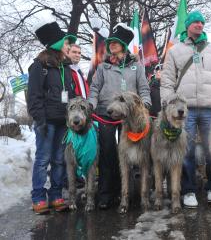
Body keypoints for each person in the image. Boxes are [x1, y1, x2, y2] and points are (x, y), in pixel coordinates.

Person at [161, 10, 211, 208]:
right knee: (186, 151)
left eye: (202, 22)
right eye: (195, 22)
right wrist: (167, 104)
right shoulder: (175, 50)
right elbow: (167, 80)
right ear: (188, 25)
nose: (199, 25)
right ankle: (188, 190)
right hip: (185, 110)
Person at [88, 23, 151, 209]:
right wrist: (91, 104)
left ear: (123, 44)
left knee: (132, 155)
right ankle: (107, 194)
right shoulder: (103, 67)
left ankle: (131, 193)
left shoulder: (136, 67)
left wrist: (145, 104)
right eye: (110, 43)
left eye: (116, 42)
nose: (112, 45)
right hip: (105, 113)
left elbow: (144, 89)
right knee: (108, 154)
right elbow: (94, 89)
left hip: (129, 116)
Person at [28, 21, 77, 214]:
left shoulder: (67, 68)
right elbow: (33, 97)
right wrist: (40, 121)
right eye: (66, 42)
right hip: (46, 122)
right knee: (43, 159)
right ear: (56, 43)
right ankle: (38, 196)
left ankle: (56, 194)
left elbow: (71, 95)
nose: (68, 46)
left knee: (59, 160)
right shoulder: (39, 66)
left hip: (63, 123)